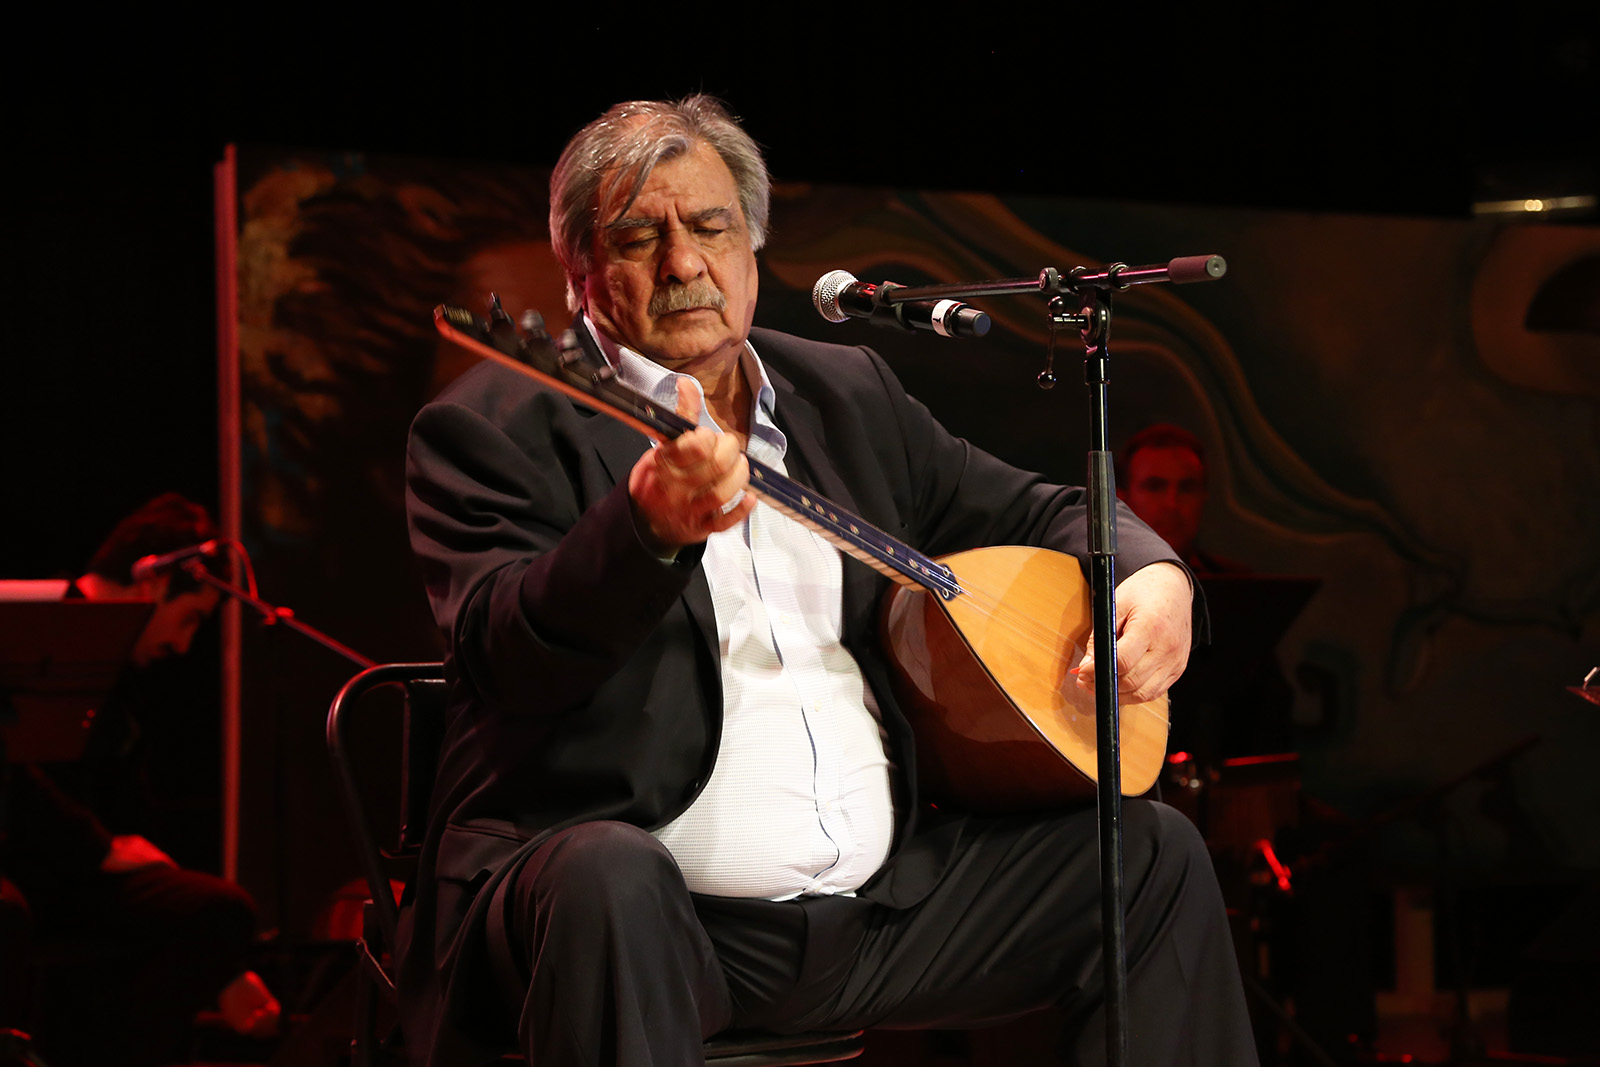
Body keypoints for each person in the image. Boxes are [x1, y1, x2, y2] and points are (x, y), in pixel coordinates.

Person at [402, 97, 1257, 1066]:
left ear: (753, 244)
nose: (683, 264)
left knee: (1148, 856)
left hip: (877, 914)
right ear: (578, 270)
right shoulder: (493, 424)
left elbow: (1035, 508)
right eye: (639, 238)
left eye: (711, 227)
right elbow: (505, 654)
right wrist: (644, 532)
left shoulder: (846, 394)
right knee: (606, 874)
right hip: (649, 921)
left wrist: (1154, 572)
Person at [0, 493, 279, 1067]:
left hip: (69, 867)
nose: (183, 643)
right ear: (154, 582)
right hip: (32, 855)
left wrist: (227, 970)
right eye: (190, 619)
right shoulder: (41, 628)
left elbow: (123, 805)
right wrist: (99, 847)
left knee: (218, 911)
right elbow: (13, 771)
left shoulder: (122, 668)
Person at [1117, 423, 1246, 576]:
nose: (1172, 504)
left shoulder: (1237, 583)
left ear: (1204, 497)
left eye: (1186, 489)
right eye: (1155, 487)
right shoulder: (1099, 582)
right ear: (1122, 498)